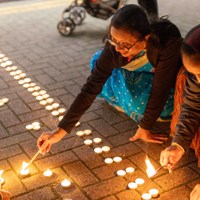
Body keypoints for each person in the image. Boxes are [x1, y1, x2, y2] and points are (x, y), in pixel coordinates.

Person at [37, 4, 182, 154]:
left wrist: (145, 126)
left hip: (158, 77)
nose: (118, 49)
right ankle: (119, 97)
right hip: (129, 72)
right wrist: (60, 131)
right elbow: (91, 87)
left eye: (125, 45)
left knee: (151, 105)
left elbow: (161, 87)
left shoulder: (166, 41)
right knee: (99, 62)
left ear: (146, 38)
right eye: (113, 40)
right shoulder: (114, 48)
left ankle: (124, 99)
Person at [159, 24, 200, 200]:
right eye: (195, 74)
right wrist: (178, 145)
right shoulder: (194, 79)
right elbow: (191, 107)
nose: (198, 80)